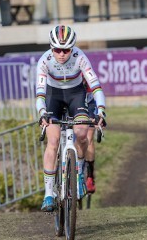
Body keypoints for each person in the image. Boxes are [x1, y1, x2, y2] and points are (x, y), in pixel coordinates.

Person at [36, 25, 106, 212]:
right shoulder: (44, 61)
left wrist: (101, 111)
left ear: (72, 48)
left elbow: (96, 86)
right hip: (53, 97)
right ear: (51, 48)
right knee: (53, 140)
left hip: (76, 95)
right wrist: (42, 113)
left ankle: (79, 172)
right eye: (57, 50)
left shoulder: (80, 57)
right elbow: (41, 94)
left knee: (82, 134)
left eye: (66, 50)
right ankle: (49, 194)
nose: (61, 54)